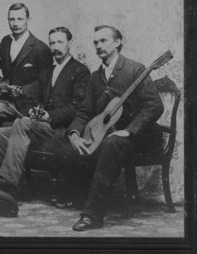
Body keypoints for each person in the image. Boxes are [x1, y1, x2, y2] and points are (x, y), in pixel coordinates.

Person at [66, 25, 164, 231]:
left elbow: (154, 105)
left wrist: (129, 130)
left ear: (118, 42)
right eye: (95, 42)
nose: (98, 46)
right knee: (74, 145)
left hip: (141, 137)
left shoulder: (135, 69)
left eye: (103, 41)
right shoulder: (95, 77)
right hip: (110, 134)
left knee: (112, 143)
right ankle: (75, 198)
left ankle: (93, 216)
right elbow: (84, 111)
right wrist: (74, 133)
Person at [0, 26, 90, 201]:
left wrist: (49, 116)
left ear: (70, 43)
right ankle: (21, 185)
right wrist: (8, 90)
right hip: (41, 128)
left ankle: (8, 182)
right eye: (52, 43)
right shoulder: (47, 71)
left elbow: (77, 108)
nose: (55, 47)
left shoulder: (80, 71)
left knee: (22, 122)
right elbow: (32, 91)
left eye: (60, 42)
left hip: (60, 130)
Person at [0, 2, 53, 120]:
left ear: (28, 19)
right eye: (12, 19)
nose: (16, 23)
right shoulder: (6, 41)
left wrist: (20, 90)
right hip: (2, 99)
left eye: (20, 19)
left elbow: (45, 83)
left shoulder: (40, 48)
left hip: (24, 106)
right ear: (7, 20)